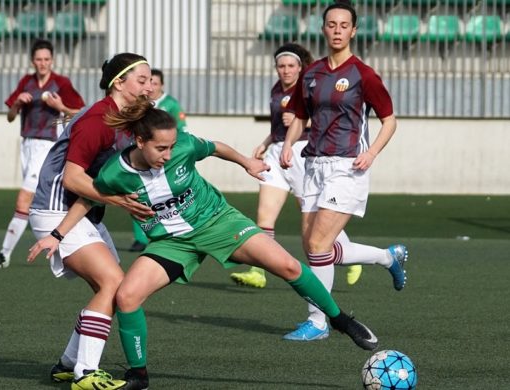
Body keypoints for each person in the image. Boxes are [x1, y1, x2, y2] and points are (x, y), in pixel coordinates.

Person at [30, 96, 380, 390]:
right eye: (160, 148)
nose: (168, 154)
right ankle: (138, 373)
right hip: (171, 242)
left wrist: (246, 162)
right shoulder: (113, 173)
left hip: (218, 223)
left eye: (171, 146)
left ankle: (340, 321)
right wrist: (57, 235)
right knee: (126, 295)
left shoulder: (182, 145)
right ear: (139, 142)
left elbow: (214, 147)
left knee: (287, 265)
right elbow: (87, 199)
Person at [279, 0, 408, 342]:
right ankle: (386, 257)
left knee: (320, 243)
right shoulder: (312, 73)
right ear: (324, 29)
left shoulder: (363, 74)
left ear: (354, 30)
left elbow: (389, 121)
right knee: (314, 247)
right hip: (313, 164)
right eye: (331, 24)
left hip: (347, 165)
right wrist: (290, 144)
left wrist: (372, 152)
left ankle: (318, 321)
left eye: (343, 25)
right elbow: (300, 116)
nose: (337, 30)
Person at [26, 53, 155, 390]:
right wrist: (118, 201)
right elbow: (72, 180)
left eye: (150, 80)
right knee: (113, 281)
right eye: (141, 80)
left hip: (83, 212)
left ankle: (68, 365)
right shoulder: (97, 120)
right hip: (56, 209)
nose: (148, 86)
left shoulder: (125, 120)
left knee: (111, 289)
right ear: (118, 83)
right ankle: (86, 373)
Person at [229, 43, 364, 290]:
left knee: (312, 216)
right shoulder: (276, 89)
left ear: (300, 67)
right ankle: (258, 272)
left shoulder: (308, 87)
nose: (286, 71)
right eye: (281, 66)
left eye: (291, 66)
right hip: (276, 153)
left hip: (302, 153)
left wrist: (306, 121)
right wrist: (265, 142)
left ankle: (347, 253)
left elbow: (328, 117)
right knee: (264, 215)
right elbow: (278, 127)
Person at [0, 39, 85, 269]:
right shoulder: (26, 82)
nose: (43, 63)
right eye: (39, 59)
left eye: (47, 59)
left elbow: (80, 111)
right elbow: (10, 116)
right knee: (43, 200)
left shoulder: (61, 83)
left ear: (52, 60)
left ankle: (5, 254)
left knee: (24, 199)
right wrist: (17, 103)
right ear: (32, 61)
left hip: (48, 146)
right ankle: (66, 246)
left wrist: (61, 108)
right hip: (27, 145)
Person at [128, 68, 188, 252]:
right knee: (138, 196)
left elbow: (182, 130)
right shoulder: (140, 105)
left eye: (155, 83)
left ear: (161, 85)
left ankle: (174, 232)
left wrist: (174, 154)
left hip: (164, 159)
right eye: (148, 82)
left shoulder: (170, 104)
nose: (151, 86)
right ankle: (141, 238)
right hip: (143, 158)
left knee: (168, 196)